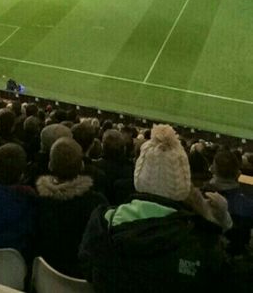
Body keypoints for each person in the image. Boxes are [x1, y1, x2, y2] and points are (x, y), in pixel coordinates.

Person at [79, 124, 230, 292]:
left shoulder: (102, 222)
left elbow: (87, 269)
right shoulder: (205, 243)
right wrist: (222, 222)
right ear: (182, 184)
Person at [35, 138, 107, 277]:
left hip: (42, 277)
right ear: (81, 166)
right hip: (78, 279)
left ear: (50, 165)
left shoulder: (37, 198)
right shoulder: (97, 204)